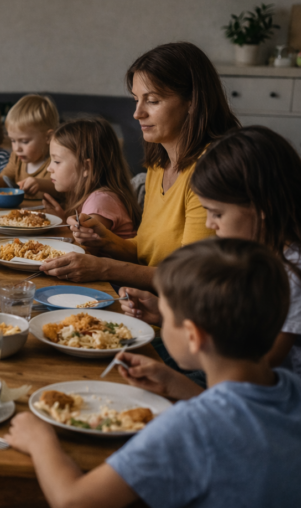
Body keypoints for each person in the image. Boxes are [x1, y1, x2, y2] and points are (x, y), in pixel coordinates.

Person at [5, 238, 301, 508]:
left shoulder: (189, 427)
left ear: (193, 336)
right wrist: (177, 385)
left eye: (167, 317)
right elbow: (241, 419)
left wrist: (39, 440)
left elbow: (74, 507)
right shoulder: (290, 386)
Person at [41, 42, 239, 289]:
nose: (137, 113)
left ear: (192, 101)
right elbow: (149, 251)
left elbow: (191, 276)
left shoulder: (211, 171)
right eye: (136, 99)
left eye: (153, 101)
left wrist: (104, 267)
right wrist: (105, 241)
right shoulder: (159, 163)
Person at [121, 126, 301, 377]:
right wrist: (166, 313)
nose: (209, 224)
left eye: (217, 213)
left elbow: (258, 363)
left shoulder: (291, 272)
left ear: (263, 206)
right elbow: (227, 329)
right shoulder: (250, 252)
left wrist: (176, 381)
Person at [41, 118, 140, 239]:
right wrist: (62, 221)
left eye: (56, 161)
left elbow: (85, 248)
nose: (49, 168)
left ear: (86, 166)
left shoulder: (100, 202)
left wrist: (61, 226)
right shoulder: (92, 196)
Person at [0, 94, 59, 199]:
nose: (17, 148)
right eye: (13, 140)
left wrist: (41, 184)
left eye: (25, 141)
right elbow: (4, 183)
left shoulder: (56, 161)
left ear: (48, 137)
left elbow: (65, 191)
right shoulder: (17, 158)